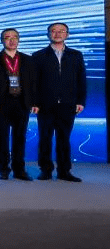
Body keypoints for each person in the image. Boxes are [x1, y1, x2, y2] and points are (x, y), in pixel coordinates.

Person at [32, 22, 86, 182]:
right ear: (48, 34)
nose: (57, 34)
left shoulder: (76, 55)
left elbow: (81, 80)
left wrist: (81, 101)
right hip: (45, 105)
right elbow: (34, 82)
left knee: (64, 139)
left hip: (68, 104)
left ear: (67, 35)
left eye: (61, 31)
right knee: (45, 138)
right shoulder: (38, 55)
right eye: (53, 31)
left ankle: (64, 171)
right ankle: (45, 170)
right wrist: (34, 102)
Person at [0, 28, 36, 181]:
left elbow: (33, 83)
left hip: (22, 103)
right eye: (7, 37)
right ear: (2, 41)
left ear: (19, 40)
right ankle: (3, 169)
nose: (12, 40)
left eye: (15, 37)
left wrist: (34, 102)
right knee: (1, 137)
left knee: (20, 137)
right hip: (1, 104)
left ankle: (19, 169)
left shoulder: (28, 60)